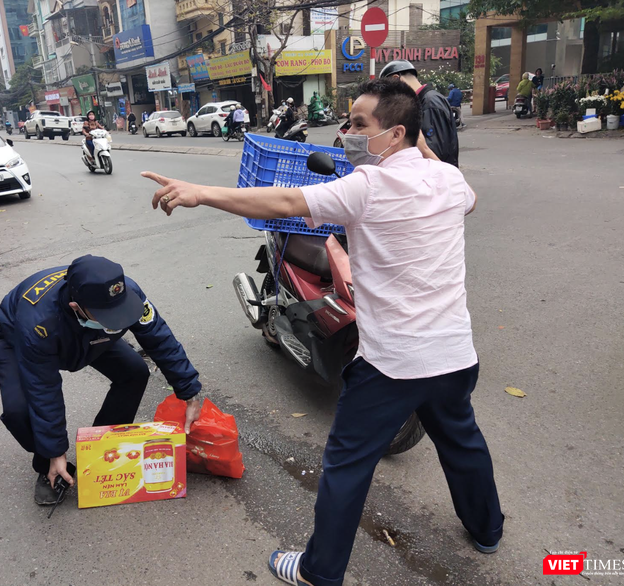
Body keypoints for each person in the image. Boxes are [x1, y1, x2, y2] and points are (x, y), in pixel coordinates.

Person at [141, 77, 503, 586]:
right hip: (455, 355)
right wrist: (422, 145)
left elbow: (286, 203)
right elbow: (468, 197)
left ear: (395, 134)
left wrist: (201, 193)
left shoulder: (368, 185)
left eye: (359, 125)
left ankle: (319, 571)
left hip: (392, 365)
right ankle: (487, 529)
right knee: (462, 442)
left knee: (347, 466)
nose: (347, 133)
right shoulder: (447, 179)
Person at [0, 254, 203, 505]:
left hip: (90, 334)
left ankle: (102, 451)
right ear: (76, 306)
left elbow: (160, 338)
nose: (118, 320)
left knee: (134, 372)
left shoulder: (129, 291)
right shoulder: (37, 323)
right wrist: (55, 451)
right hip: (23, 343)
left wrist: (189, 392)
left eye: (120, 312)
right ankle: (50, 467)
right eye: (109, 315)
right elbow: (43, 389)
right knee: (18, 410)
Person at [380, 59, 459, 167]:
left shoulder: (430, 103)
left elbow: (434, 152)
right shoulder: (421, 102)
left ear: (396, 79)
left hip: (437, 174)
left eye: (388, 91)